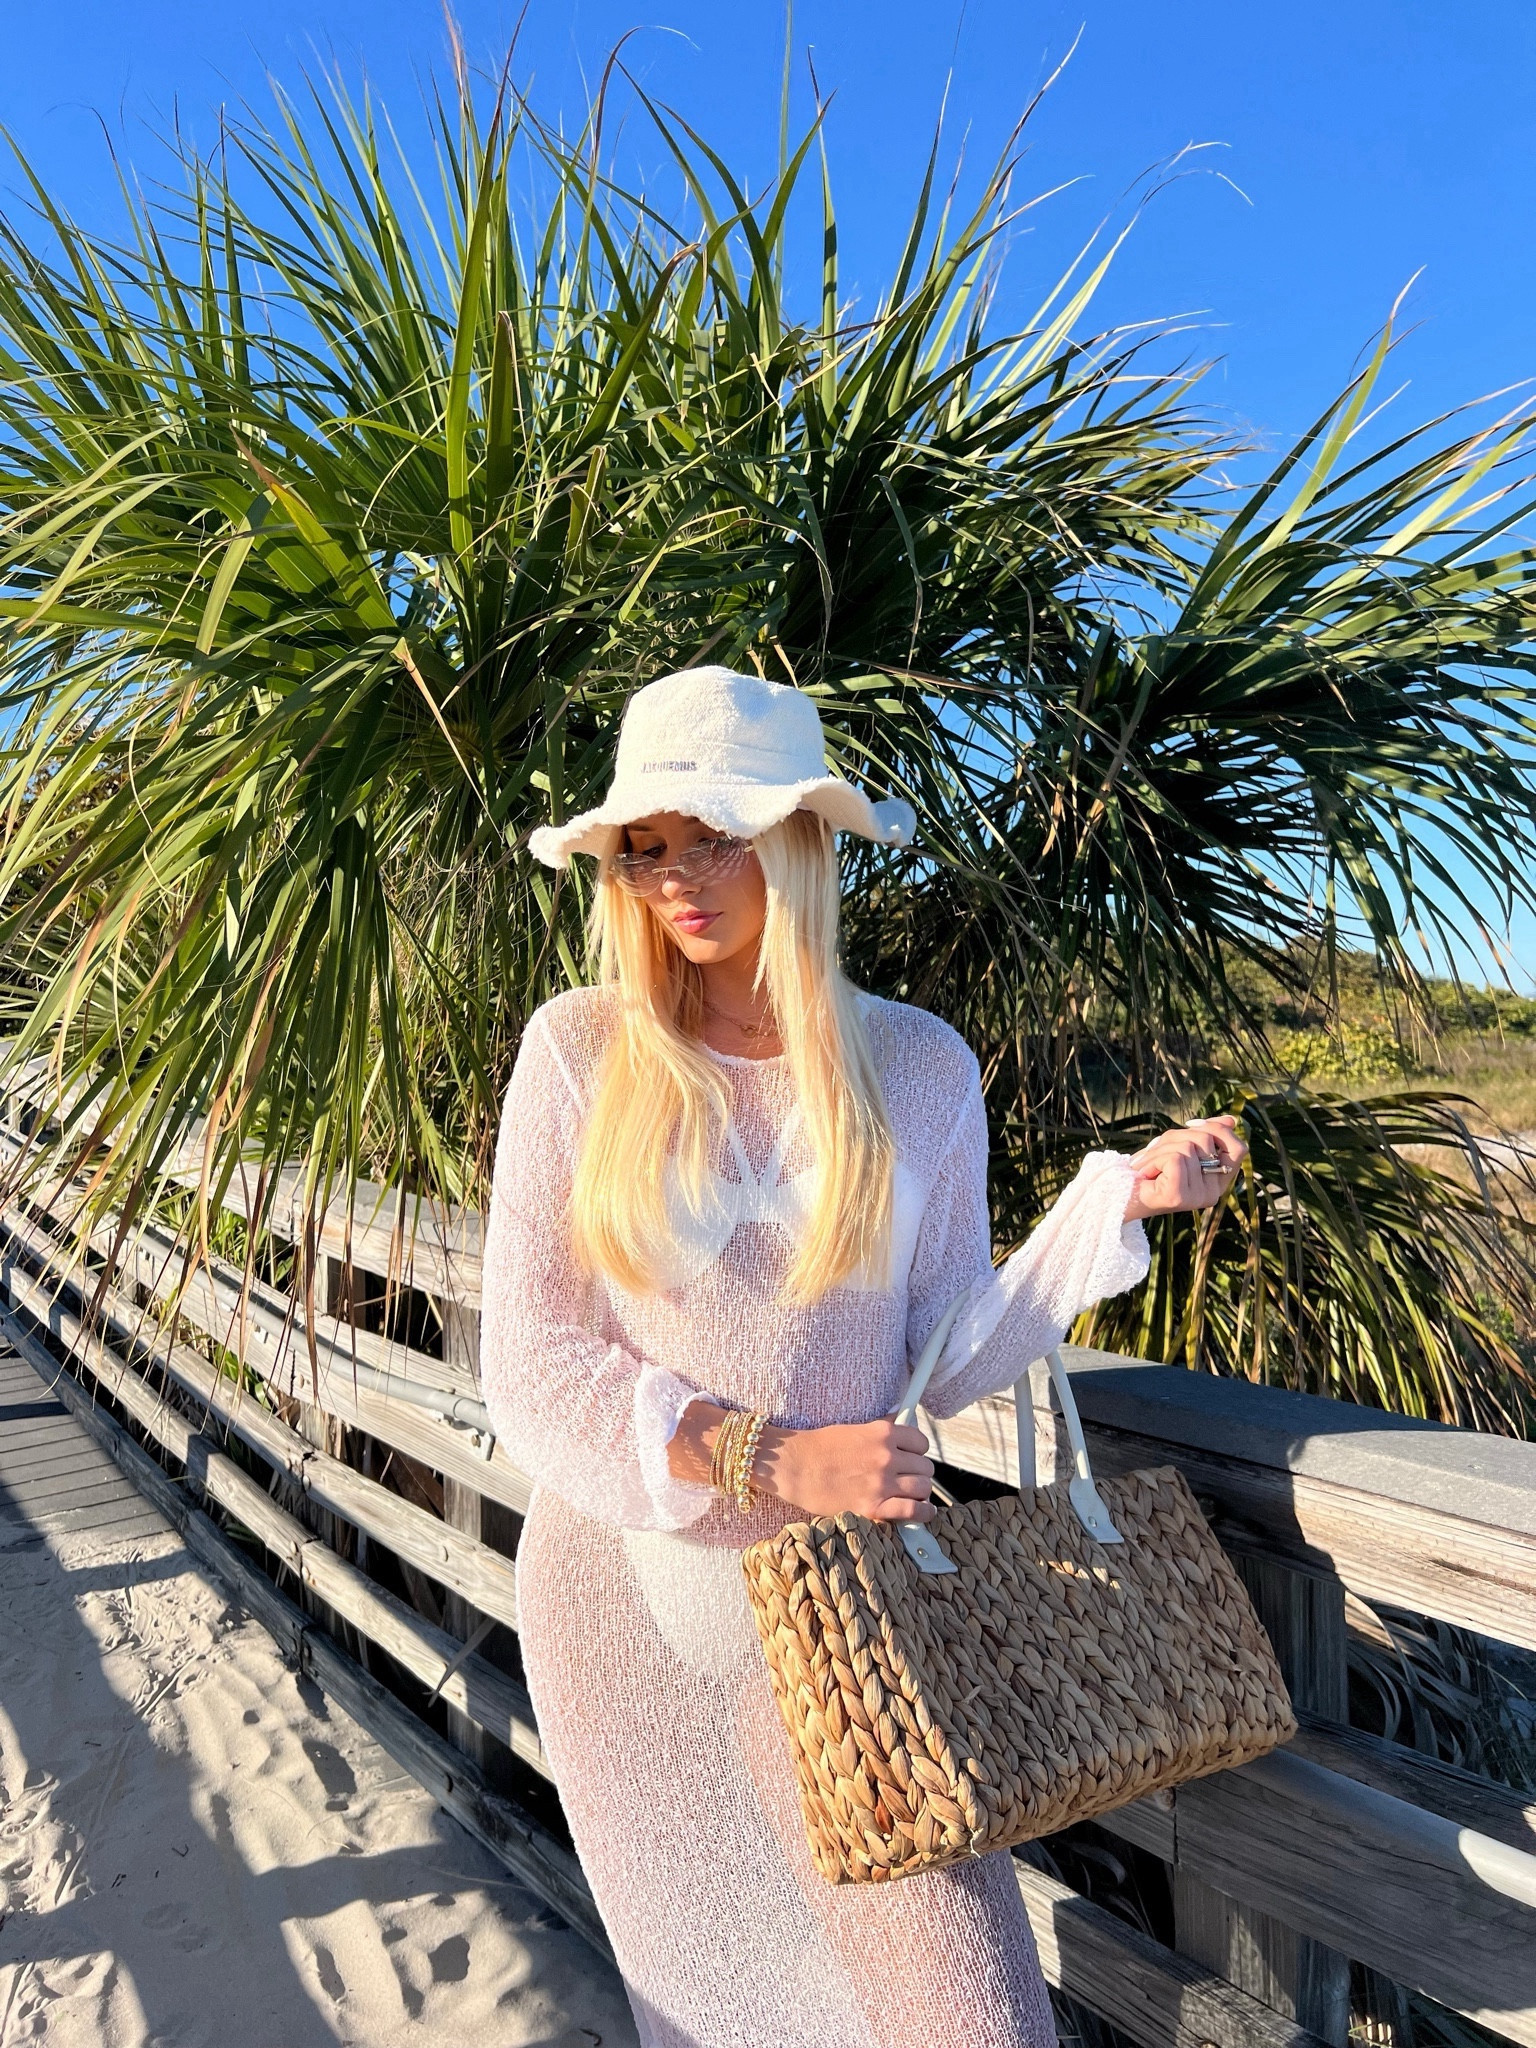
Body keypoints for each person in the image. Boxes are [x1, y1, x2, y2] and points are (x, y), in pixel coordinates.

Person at [479, 666, 1247, 2048]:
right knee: (706, 2005)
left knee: (971, 2014)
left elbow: (944, 1354)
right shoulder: (582, 1053)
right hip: (622, 1605)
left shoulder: (920, 1066)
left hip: (839, 1611)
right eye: (646, 848)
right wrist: (769, 1454)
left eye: (714, 835)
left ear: (806, 837)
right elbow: (529, 1363)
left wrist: (1111, 1208)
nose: (677, 880)